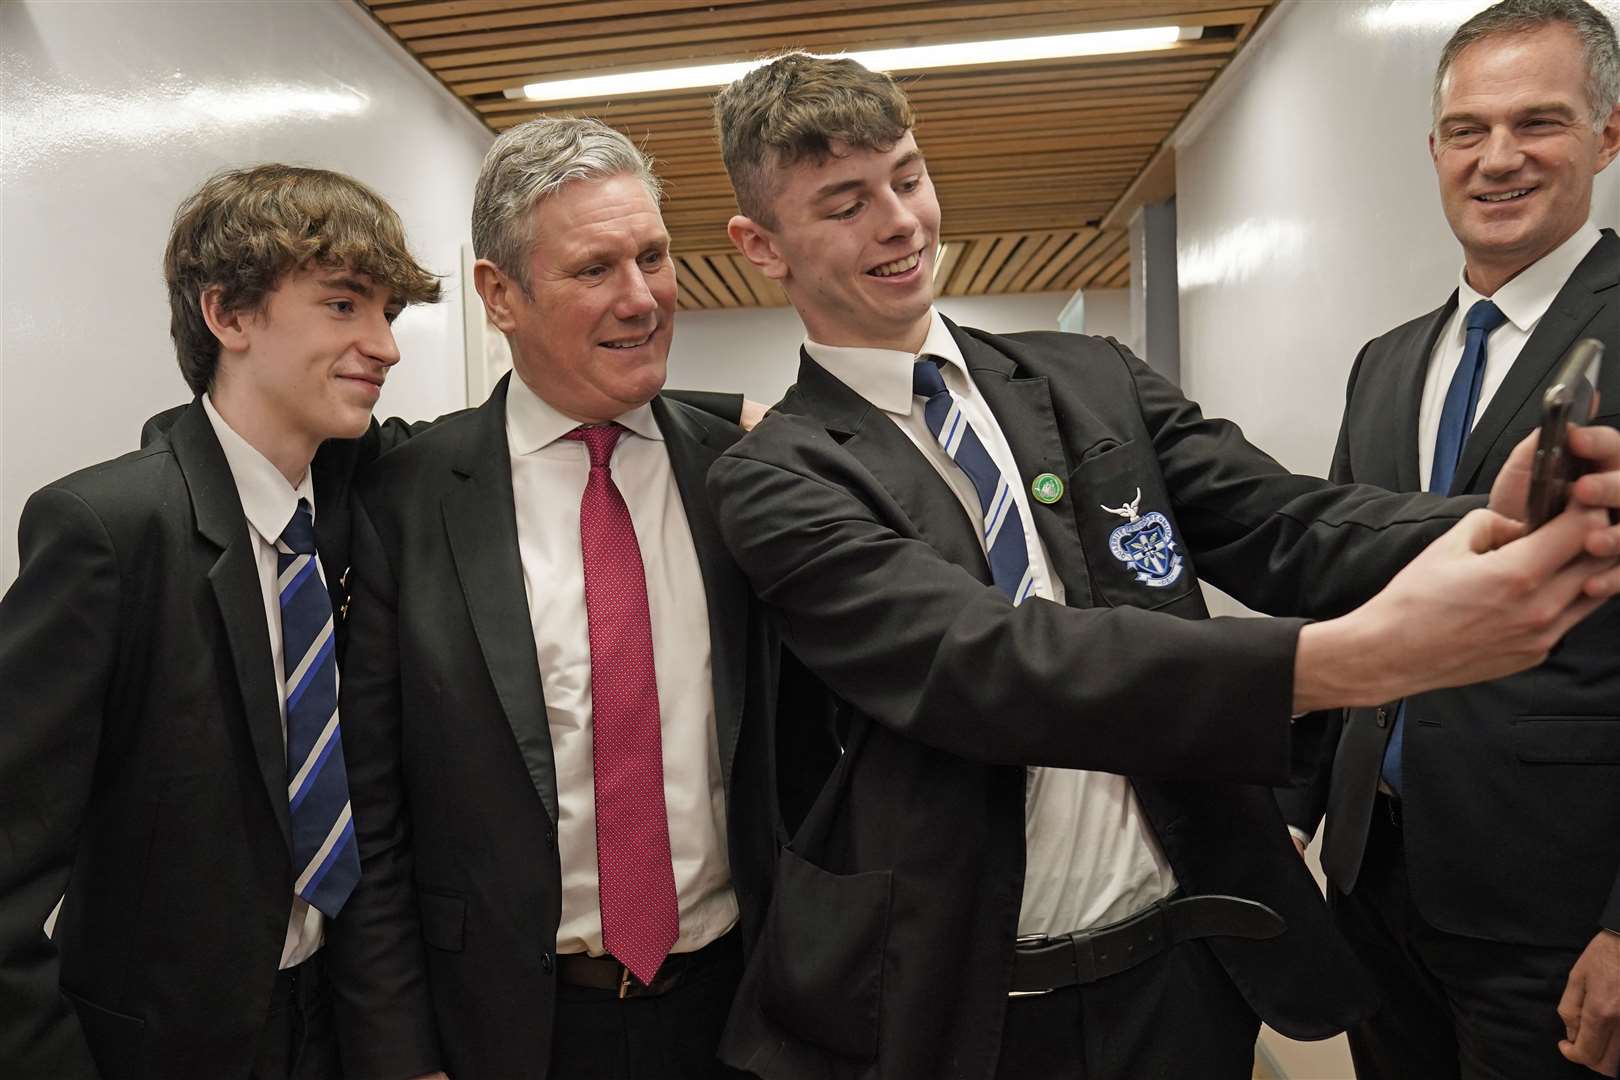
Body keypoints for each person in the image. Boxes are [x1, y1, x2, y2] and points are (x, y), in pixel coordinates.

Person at [702, 52, 1620, 1079]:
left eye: (908, 178)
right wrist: (1344, 662)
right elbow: (988, 663)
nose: (900, 223)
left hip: (1181, 979)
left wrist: (1479, 526)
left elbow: (1289, 525)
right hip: (965, 1002)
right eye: (843, 204)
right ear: (760, 247)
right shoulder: (778, 478)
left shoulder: (1088, 380)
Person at [325, 116, 831, 1080]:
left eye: (652, 256)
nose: (641, 298)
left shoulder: (747, 476)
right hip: (509, 1028)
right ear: (498, 293)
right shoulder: (407, 499)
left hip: (743, 1014)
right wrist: (401, 1053)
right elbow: (372, 812)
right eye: (594, 269)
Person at [0, 165, 441, 1080]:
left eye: (388, 314)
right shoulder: (108, 531)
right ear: (229, 317)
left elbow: (504, 436)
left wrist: (713, 415)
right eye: (344, 305)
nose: (384, 345)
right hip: (165, 1042)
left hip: (334, 1022)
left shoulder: (363, 493)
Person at [1277, 2, 1620, 1076]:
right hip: (1374, 878)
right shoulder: (1387, 362)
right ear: (1434, 149)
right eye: (1468, 129)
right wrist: (1286, 817)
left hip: (1556, 910)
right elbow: (1342, 592)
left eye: (1540, 123)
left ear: (1609, 135)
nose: (1499, 158)